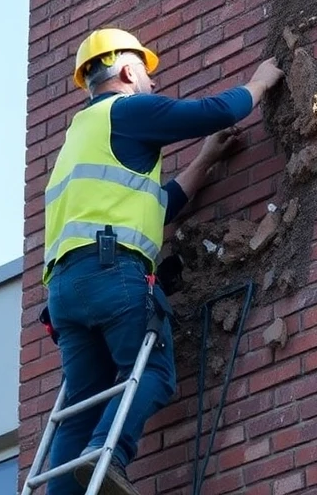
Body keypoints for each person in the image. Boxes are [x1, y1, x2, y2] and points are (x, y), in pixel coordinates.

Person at [40, 27, 283, 495]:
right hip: (112, 267)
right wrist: (261, 81)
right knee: (153, 371)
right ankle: (105, 457)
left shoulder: (79, 136)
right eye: (148, 75)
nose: (153, 84)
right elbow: (216, 111)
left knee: (83, 402)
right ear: (128, 70)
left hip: (65, 291)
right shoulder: (128, 109)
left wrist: (205, 161)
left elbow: (158, 207)